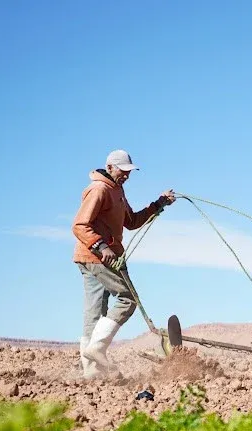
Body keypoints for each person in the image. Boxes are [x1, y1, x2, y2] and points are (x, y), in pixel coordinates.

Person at [72, 149, 175, 378]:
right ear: (110, 168)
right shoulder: (99, 190)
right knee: (127, 299)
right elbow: (79, 225)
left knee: (94, 313)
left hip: (94, 256)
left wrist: (159, 204)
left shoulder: (117, 191)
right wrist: (102, 247)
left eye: (129, 172)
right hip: (96, 257)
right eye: (123, 171)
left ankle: (91, 373)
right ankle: (97, 349)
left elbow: (132, 221)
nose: (126, 176)